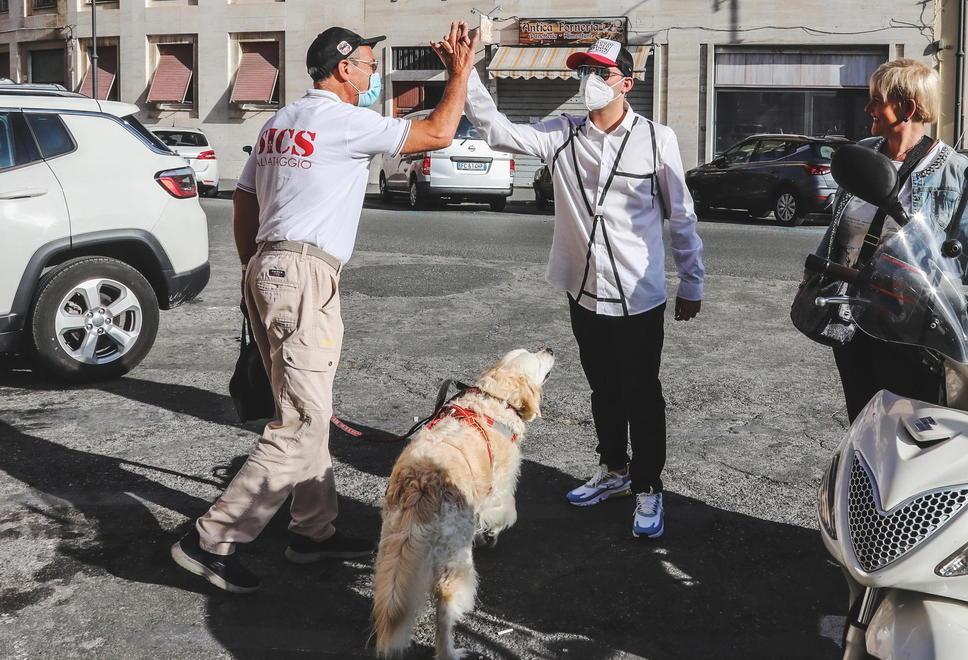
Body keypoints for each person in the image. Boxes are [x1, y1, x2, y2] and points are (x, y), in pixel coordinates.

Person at [171, 23, 480, 593]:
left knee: (305, 405)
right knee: (302, 419)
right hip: (305, 274)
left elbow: (244, 200)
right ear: (343, 68)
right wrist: (460, 71)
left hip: (270, 266)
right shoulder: (343, 121)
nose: (371, 75)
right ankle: (210, 538)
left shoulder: (279, 123)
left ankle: (313, 530)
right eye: (366, 65)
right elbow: (438, 133)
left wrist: (255, 273)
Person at [459, 37, 705, 539]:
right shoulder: (561, 133)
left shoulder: (657, 139)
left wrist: (692, 281)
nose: (588, 81)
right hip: (584, 289)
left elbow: (681, 215)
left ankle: (648, 486)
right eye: (583, 71)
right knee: (603, 390)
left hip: (639, 294)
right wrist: (466, 75)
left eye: (599, 72)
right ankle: (613, 471)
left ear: (626, 83)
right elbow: (499, 132)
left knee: (642, 394)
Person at [813, 58, 968, 422]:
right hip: (852, 316)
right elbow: (837, 225)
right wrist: (816, 272)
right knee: (863, 417)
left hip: (913, 330)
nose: (867, 108)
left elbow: (961, 264)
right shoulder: (862, 154)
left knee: (910, 425)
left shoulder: (956, 173)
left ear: (907, 108)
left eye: (875, 99)